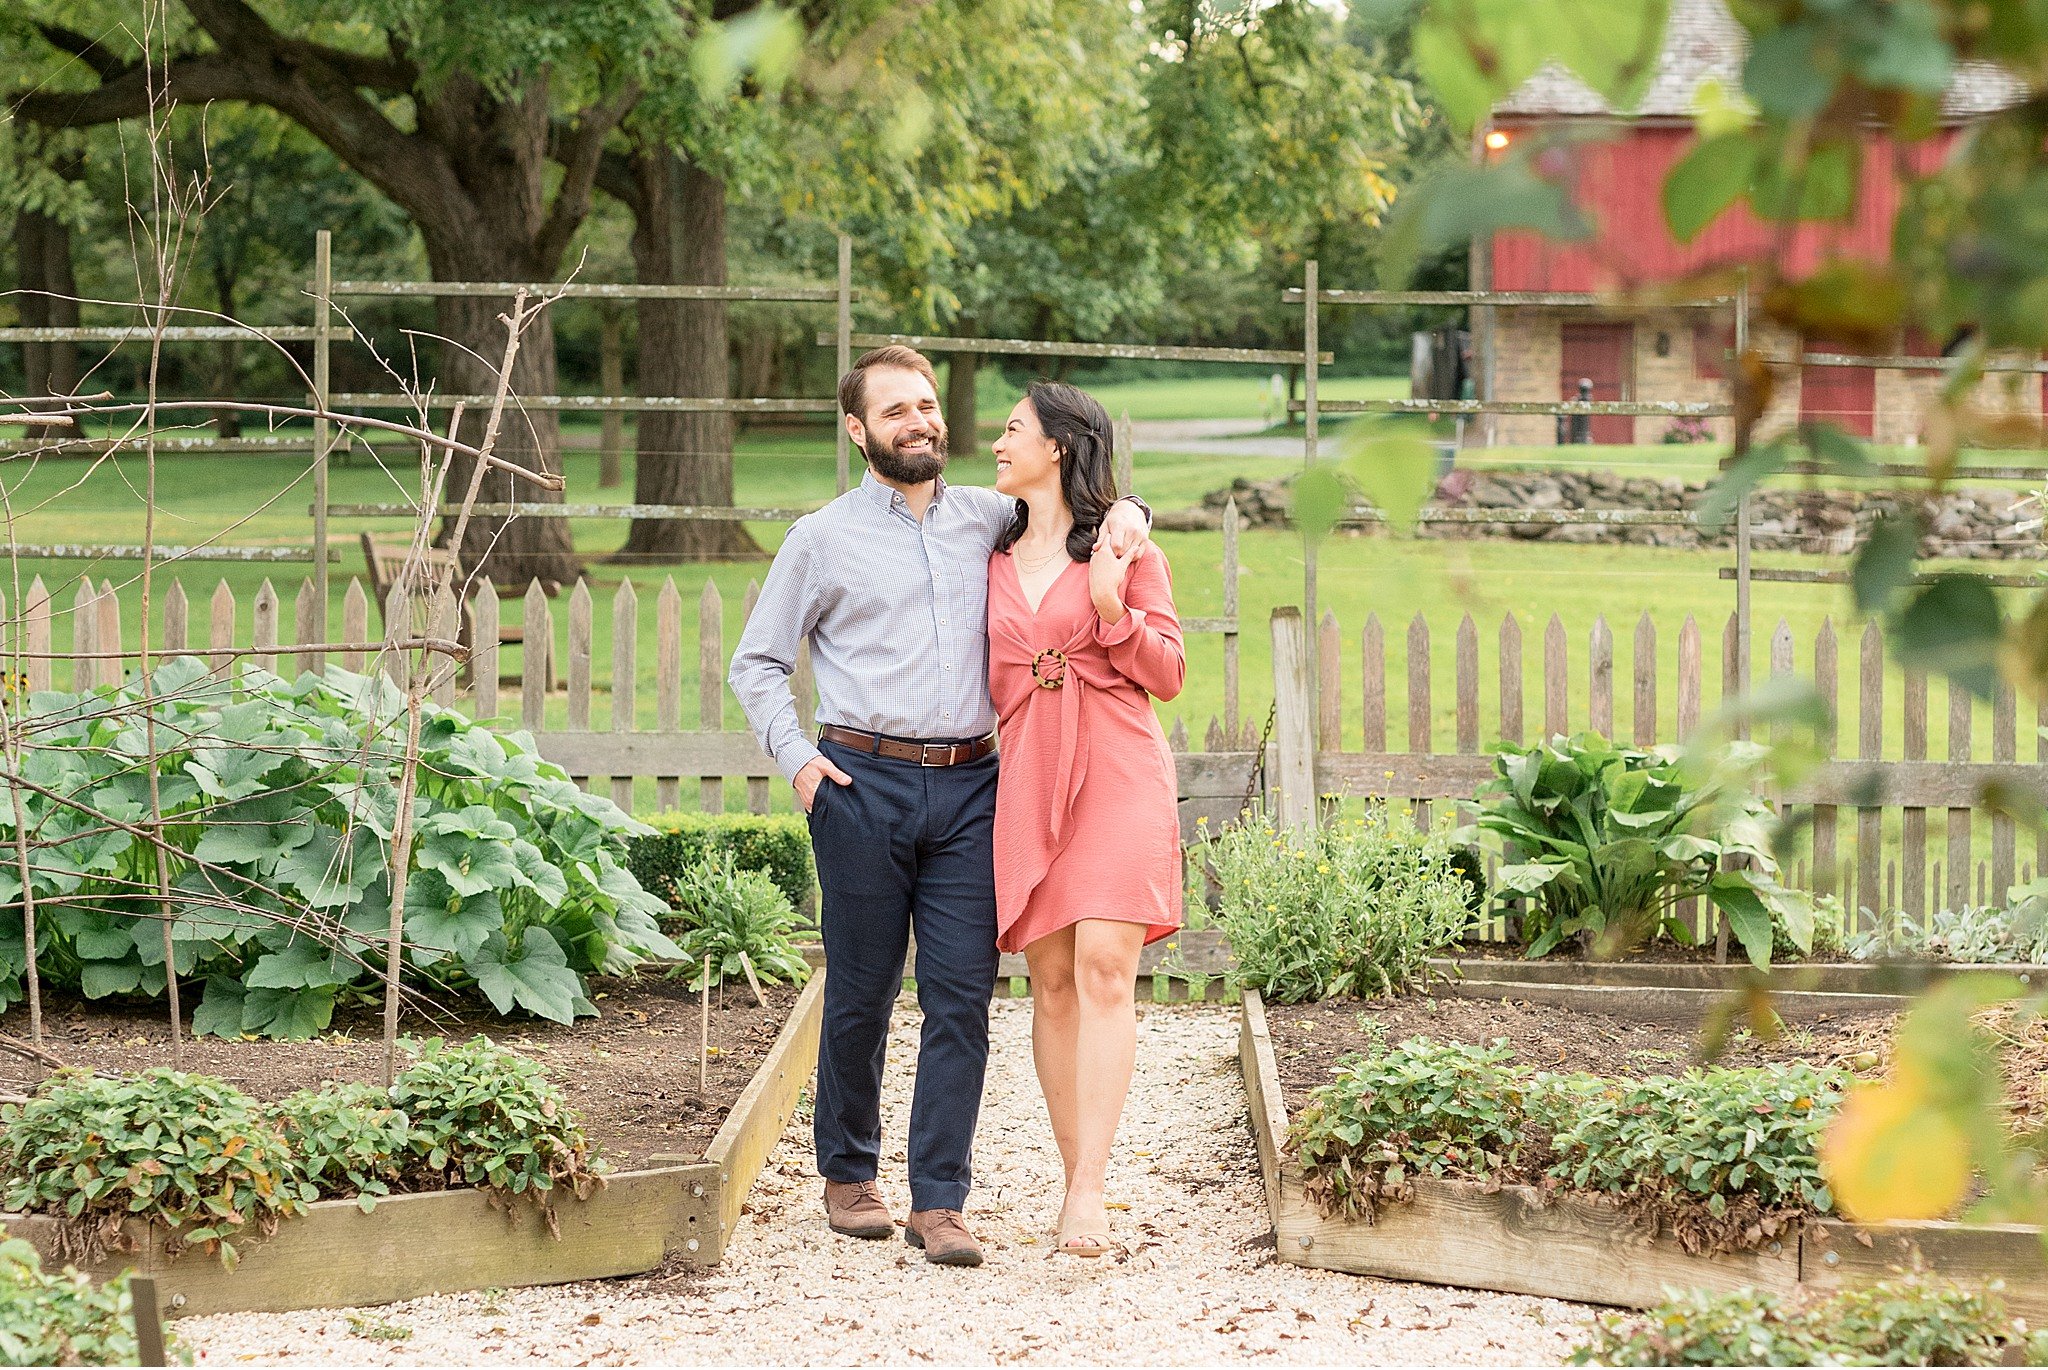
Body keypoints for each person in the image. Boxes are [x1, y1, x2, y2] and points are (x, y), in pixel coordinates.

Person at [728, 346, 1151, 1269]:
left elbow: (1087, 501)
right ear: (857, 431)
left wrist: (1132, 512)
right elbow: (756, 663)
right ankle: (848, 1173)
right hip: (858, 781)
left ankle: (941, 1199)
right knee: (863, 992)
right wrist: (798, 763)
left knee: (962, 997)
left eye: (926, 405)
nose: (919, 422)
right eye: (895, 412)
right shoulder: (822, 538)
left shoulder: (988, 519)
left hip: (971, 788)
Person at [987, 382, 1185, 1257]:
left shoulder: (1124, 547)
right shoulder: (982, 547)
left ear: (1059, 446)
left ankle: (1088, 1195)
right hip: (1029, 772)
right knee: (1053, 982)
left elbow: (1170, 671)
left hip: (1116, 763)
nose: (996, 441)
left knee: (1107, 967)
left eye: (1012, 429)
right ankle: (1076, 1177)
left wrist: (1112, 609)